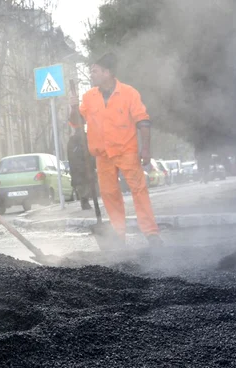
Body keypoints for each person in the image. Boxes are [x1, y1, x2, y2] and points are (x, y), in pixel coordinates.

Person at [69, 52, 163, 247]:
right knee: (110, 196)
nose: (91, 75)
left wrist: (146, 149)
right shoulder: (88, 97)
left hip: (127, 151)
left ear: (107, 72)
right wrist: (72, 106)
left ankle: (151, 233)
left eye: (94, 71)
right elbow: (77, 123)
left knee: (139, 191)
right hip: (102, 156)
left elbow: (143, 121)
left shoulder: (129, 93)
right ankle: (118, 236)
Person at [66, 123, 96, 210]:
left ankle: (85, 202)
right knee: (86, 185)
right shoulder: (86, 138)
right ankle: (85, 202)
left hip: (78, 168)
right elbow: (91, 153)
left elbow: (70, 157)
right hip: (85, 167)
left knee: (82, 186)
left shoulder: (72, 140)